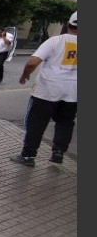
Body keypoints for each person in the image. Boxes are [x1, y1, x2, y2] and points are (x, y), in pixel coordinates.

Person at [10, 11, 77, 167]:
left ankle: (28, 156)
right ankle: (58, 151)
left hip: (47, 91)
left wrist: (25, 75)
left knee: (37, 123)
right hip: (73, 93)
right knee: (65, 122)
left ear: (67, 24)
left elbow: (33, 63)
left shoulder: (56, 41)